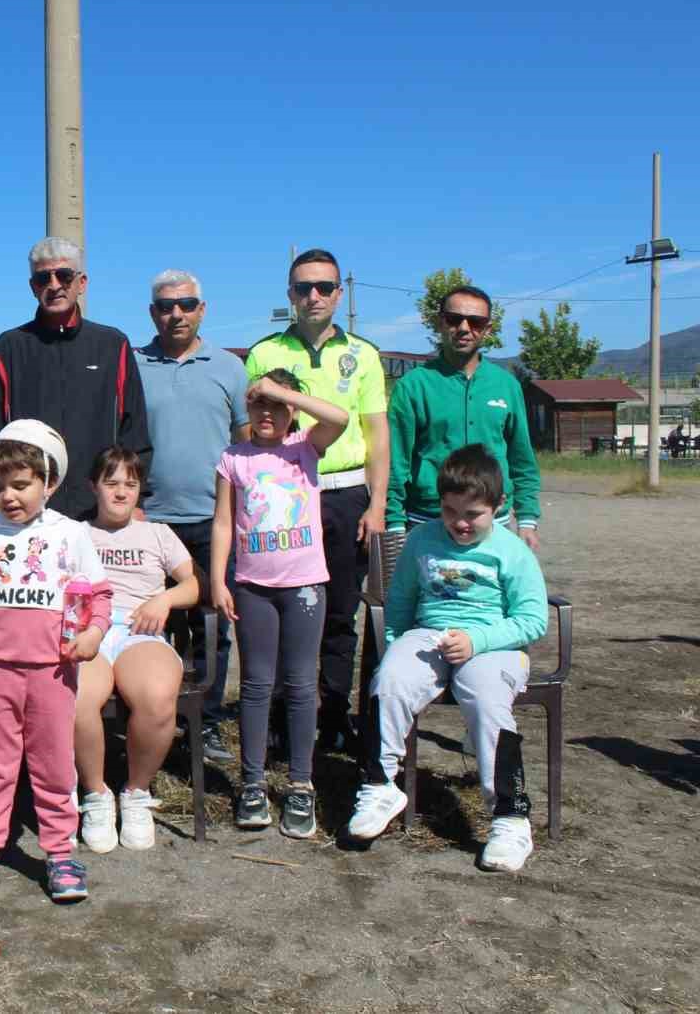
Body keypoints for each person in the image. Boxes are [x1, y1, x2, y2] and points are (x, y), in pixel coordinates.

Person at [347, 444, 547, 873]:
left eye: (473, 514)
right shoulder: (421, 540)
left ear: (498, 507)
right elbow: (400, 600)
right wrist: (396, 649)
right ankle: (380, 785)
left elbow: (532, 620)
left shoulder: (512, 552)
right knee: (391, 681)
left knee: (487, 694)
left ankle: (511, 816)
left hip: (494, 645)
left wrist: (478, 641)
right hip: (428, 634)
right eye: (450, 510)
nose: (459, 522)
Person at [0, 420, 111, 909]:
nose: (8, 497)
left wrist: (93, 635)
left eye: (21, 485)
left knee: (54, 766)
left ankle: (60, 852)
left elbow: (99, 598)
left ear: (50, 482)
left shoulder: (73, 534)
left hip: (53, 674)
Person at [244, 248, 388, 753]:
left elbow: (376, 433)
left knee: (340, 611)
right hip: (286, 492)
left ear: (338, 293)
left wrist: (377, 503)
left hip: (346, 492)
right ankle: (285, 714)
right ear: (290, 295)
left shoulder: (364, 355)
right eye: (303, 288)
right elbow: (251, 427)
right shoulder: (265, 353)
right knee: (285, 606)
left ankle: (332, 711)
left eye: (324, 287)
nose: (314, 296)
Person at [210, 371, 349, 839]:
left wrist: (283, 392)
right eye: (257, 404)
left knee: (300, 684)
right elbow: (224, 523)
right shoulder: (234, 459)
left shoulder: (305, 448)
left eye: (275, 406)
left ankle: (300, 784)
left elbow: (341, 416)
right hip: (253, 588)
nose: (266, 414)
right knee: (255, 685)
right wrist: (218, 579)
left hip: (305, 587)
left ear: (291, 410)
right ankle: (251, 784)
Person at [134, 268, 249, 761]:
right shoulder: (133, 365)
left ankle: (204, 720)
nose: (175, 313)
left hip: (212, 518)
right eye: (165, 305)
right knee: (149, 623)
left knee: (212, 625)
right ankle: (153, 715)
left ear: (202, 309)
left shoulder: (227, 368)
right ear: (152, 312)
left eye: (185, 304)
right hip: (149, 518)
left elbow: (246, 444)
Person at [0, 237, 151, 523]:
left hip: (100, 515)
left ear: (81, 283)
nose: (54, 285)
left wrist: (136, 501)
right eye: (44, 278)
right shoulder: (9, 347)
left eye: (64, 276)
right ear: (33, 287)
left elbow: (135, 432)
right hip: (28, 518)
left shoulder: (112, 344)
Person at [79, 446, 199, 853]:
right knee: (76, 699)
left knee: (157, 697)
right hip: (88, 630)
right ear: (93, 487)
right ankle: (96, 794)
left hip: (138, 629)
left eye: (130, 485)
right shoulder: (75, 533)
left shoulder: (157, 533)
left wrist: (163, 600)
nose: (120, 493)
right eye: (111, 483)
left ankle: (135, 792)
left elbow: (192, 585)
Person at [386, 286, 541, 549]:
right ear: (440, 322)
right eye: (454, 319)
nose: (464, 328)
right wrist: (394, 521)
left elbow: (521, 456)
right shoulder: (413, 385)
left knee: (490, 591)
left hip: (493, 522)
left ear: (488, 329)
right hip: (428, 520)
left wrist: (527, 518)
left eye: (476, 322)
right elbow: (395, 461)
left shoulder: (506, 385)